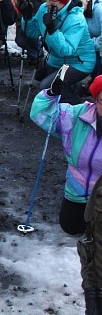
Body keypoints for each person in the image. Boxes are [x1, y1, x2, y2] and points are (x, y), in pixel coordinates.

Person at [30, 70, 102, 235]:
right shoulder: (77, 115)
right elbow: (41, 115)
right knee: (71, 228)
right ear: (95, 99)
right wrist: (51, 94)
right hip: (78, 191)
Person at [23, 0, 95, 104]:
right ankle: (77, 89)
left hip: (79, 62)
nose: (48, 3)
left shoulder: (76, 18)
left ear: (64, 1)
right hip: (56, 60)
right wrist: (27, 17)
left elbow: (66, 50)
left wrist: (52, 30)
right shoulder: (44, 8)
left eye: (53, 0)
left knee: (47, 87)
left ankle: (83, 110)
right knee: (46, 81)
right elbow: (32, 32)